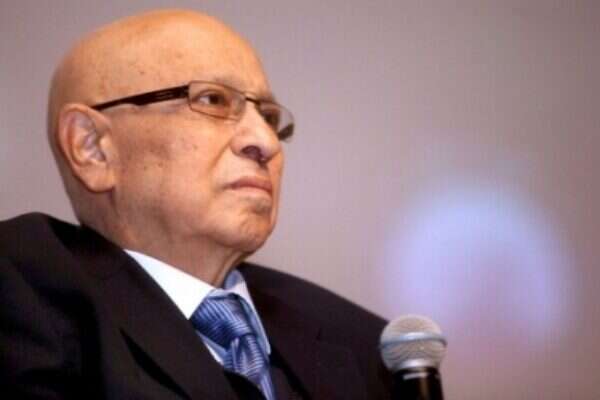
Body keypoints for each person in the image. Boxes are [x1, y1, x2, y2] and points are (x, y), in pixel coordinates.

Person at [0, 9, 391, 399]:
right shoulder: (19, 290)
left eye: (268, 117)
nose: (266, 142)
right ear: (93, 148)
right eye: (213, 100)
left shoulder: (369, 347)